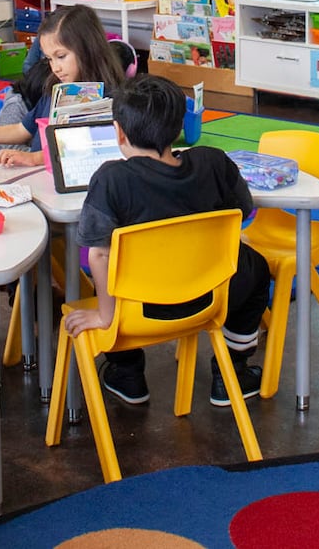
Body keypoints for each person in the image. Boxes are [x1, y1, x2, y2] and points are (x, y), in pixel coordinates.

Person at [64, 74, 271, 408]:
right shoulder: (213, 161)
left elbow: (98, 256)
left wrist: (106, 316)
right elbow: (241, 213)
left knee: (108, 271)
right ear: (179, 126)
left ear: (119, 131)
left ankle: (128, 372)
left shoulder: (111, 178)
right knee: (255, 267)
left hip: (140, 310)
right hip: (208, 298)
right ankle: (231, 371)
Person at [0, 6, 125, 167]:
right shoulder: (56, 88)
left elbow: (92, 151)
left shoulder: (111, 99)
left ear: (87, 49)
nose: (55, 67)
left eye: (61, 56)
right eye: (49, 59)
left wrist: (35, 158)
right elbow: (22, 130)